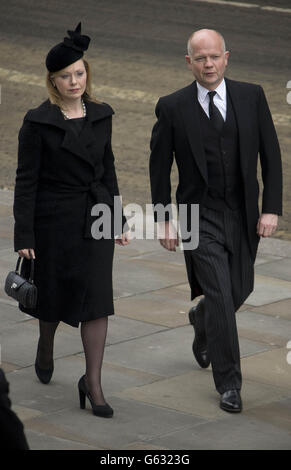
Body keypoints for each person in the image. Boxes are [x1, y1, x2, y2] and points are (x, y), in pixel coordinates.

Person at [149, 29, 282, 413]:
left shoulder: (251, 96)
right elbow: (159, 168)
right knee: (223, 296)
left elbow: (271, 156)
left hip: (242, 214)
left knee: (240, 288)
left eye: (214, 57)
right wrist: (163, 220)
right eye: (200, 58)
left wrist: (270, 208)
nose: (208, 64)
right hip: (197, 216)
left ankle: (201, 317)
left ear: (227, 57)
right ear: (189, 62)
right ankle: (230, 384)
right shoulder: (172, 107)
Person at [13, 22, 129, 418]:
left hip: (95, 217)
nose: (75, 80)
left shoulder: (101, 114)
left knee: (97, 300)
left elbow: (109, 170)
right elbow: (25, 181)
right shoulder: (37, 121)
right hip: (54, 221)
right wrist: (24, 233)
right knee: (54, 296)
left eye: (80, 72)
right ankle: (45, 346)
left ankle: (92, 383)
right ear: (53, 81)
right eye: (66, 76)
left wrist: (118, 220)